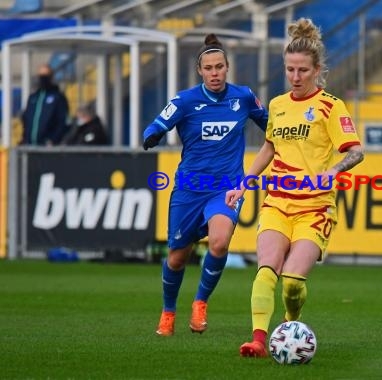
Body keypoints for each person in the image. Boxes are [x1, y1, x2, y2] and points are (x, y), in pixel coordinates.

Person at [225, 18, 364, 358]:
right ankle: (258, 340)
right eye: (290, 70)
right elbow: (269, 148)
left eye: (302, 70)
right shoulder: (277, 105)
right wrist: (243, 185)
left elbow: (356, 151)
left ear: (317, 70)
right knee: (266, 267)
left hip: (315, 208)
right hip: (278, 202)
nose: (296, 77)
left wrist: (333, 171)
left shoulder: (331, 106)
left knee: (291, 283)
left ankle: (291, 321)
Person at [142, 33, 268, 336]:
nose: (215, 73)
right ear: (200, 70)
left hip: (226, 187)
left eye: (219, 67)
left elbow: (272, 128)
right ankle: (168, 311)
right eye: (208, 68)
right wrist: (153, 135)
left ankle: (200, 303)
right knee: (177, 258)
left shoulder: (244, 98)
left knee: (220, 242)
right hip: (189, 189)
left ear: (227, 67)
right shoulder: (185, 101)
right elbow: (158, 123)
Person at [21, 63, 70, 145]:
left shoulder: (58, 97)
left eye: (46, 76)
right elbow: (26, 119)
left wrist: (53, 139)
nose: (43, 79)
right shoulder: (33, 98)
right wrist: (25, 138)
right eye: (41, 76)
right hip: (29, 144)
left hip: (47, 146)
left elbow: (63, 121)